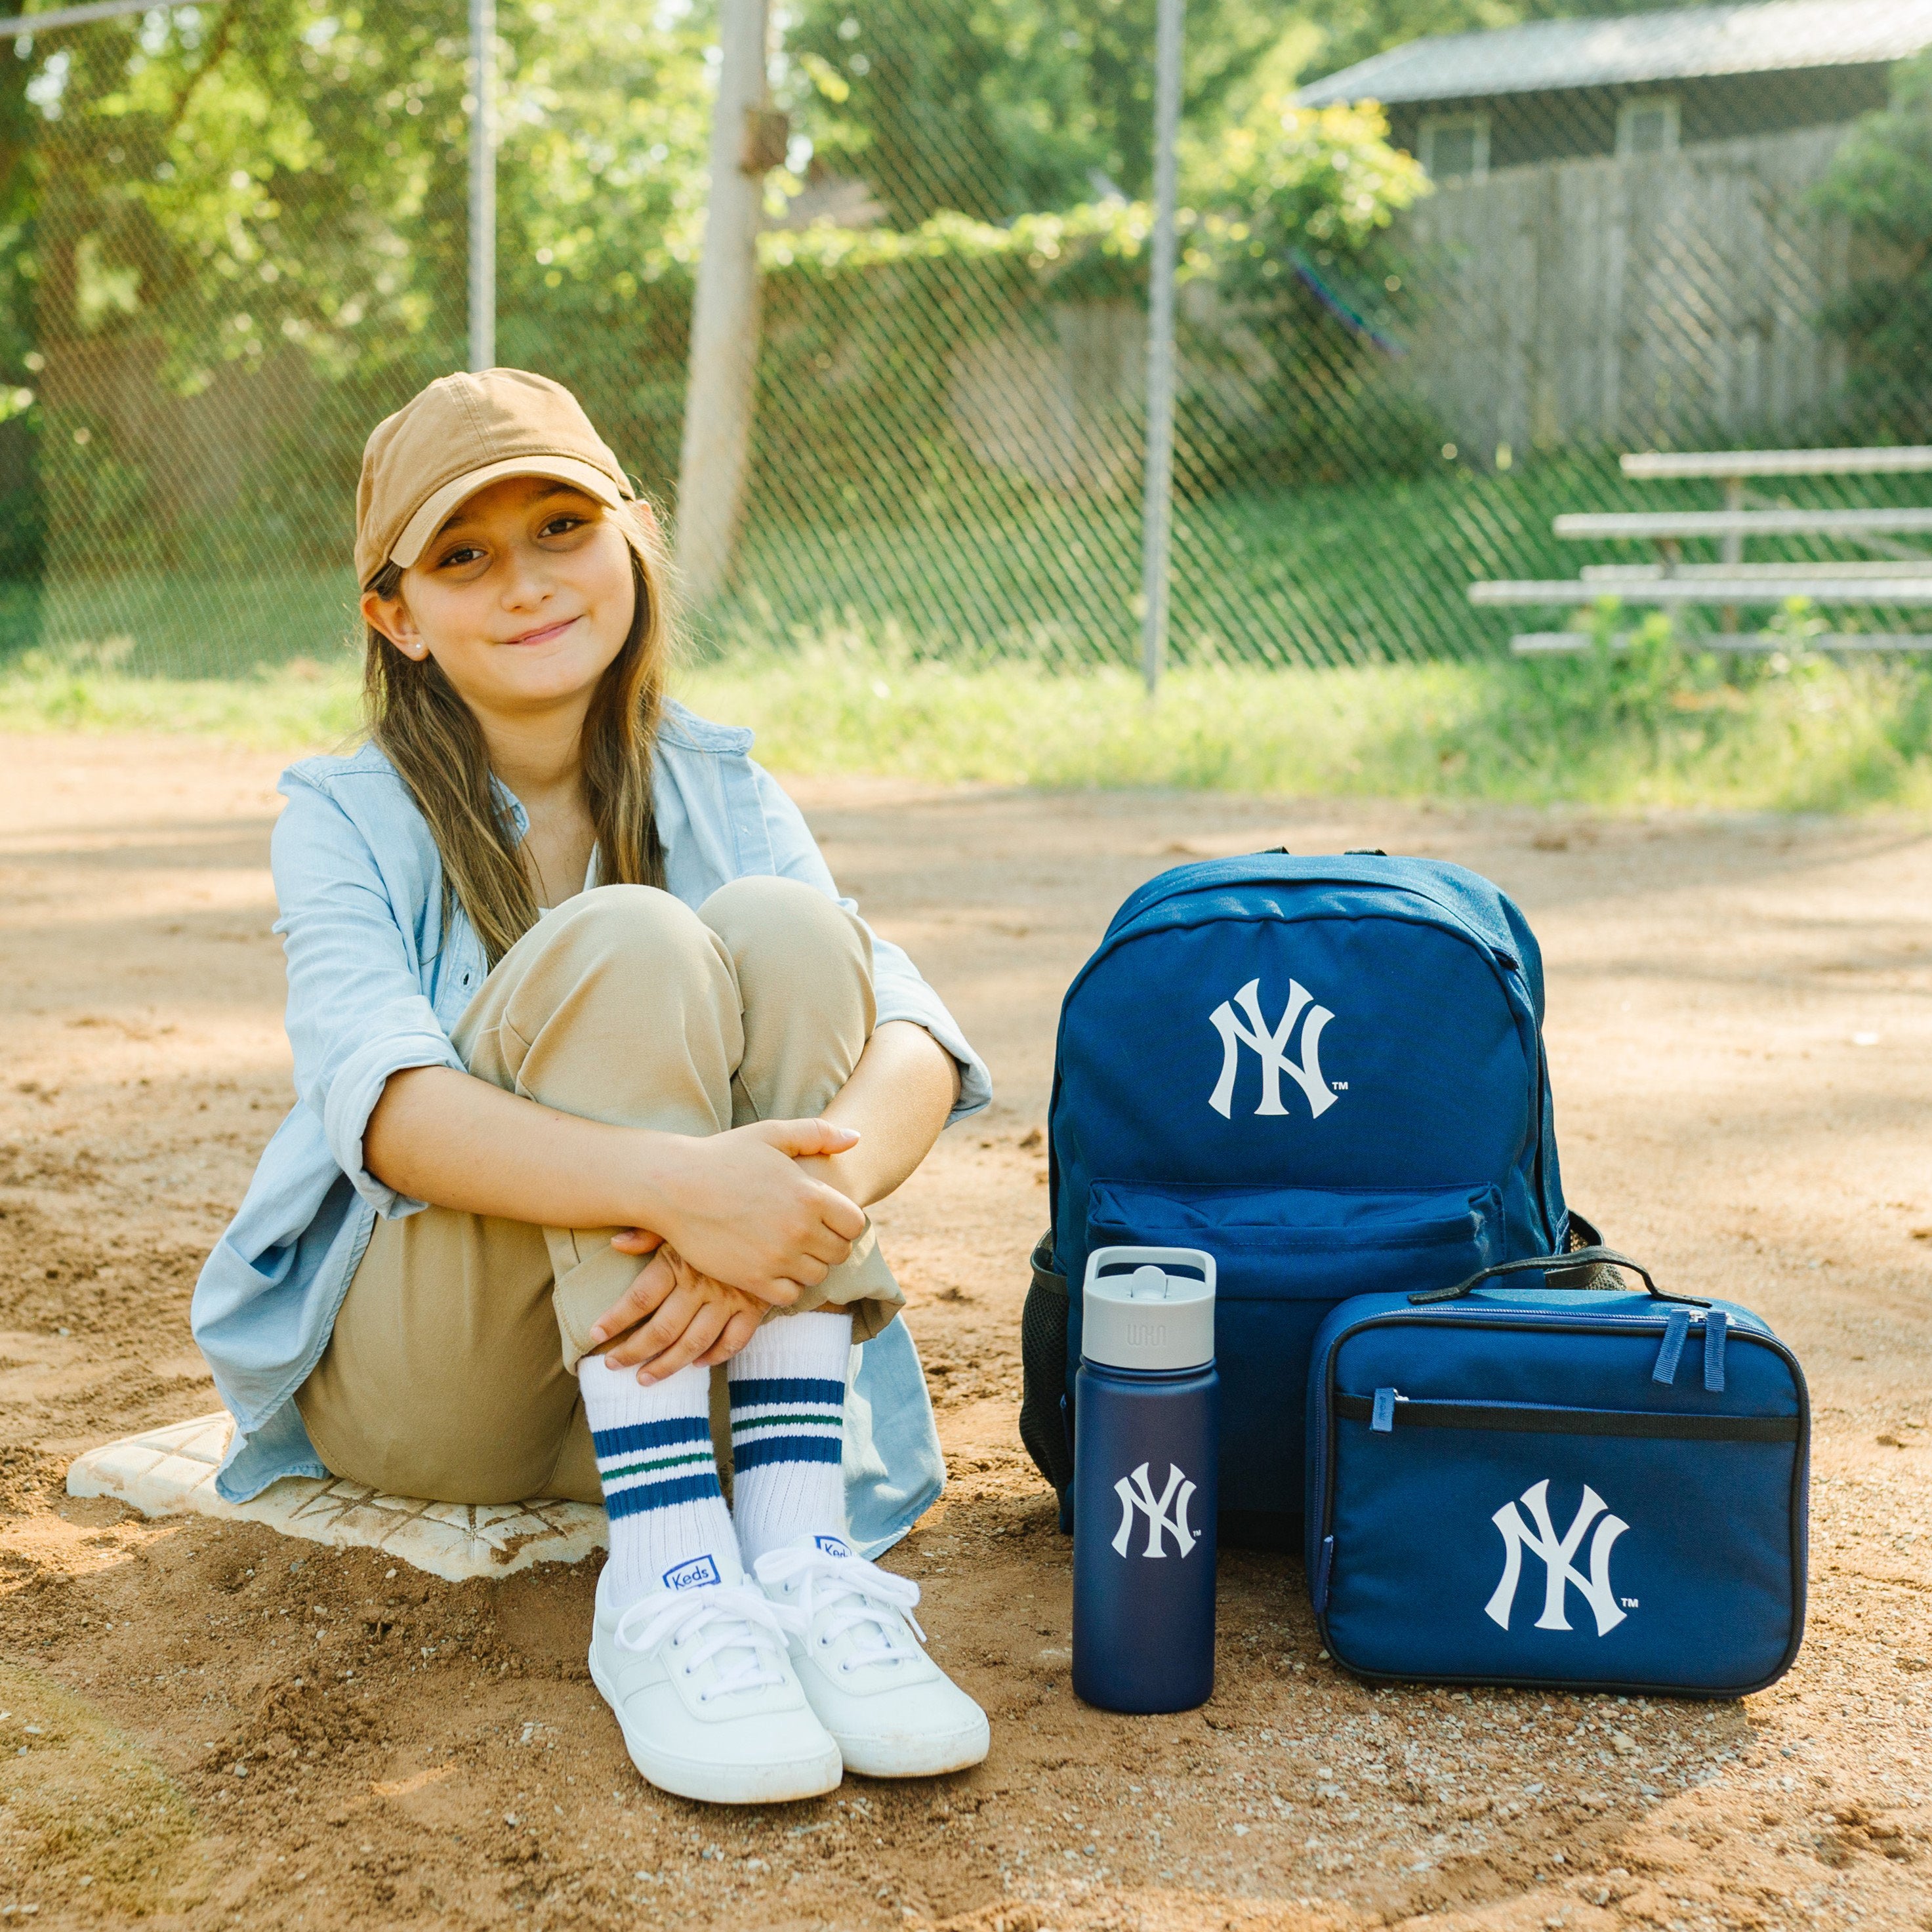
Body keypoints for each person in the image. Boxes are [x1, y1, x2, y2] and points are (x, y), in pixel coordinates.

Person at [190, 368, 993, 1805]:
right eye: (463, 557)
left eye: (561, 526)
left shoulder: (719, 780)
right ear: (398, 616)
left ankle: (802, 1551)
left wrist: (796, 1207)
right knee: (628, 940)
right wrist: (693, 1190)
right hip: (450, 1391)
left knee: (794, 934)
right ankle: (674, 1583)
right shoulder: (343, 813)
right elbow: (386, 1112)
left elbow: (915, 1043)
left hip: (713, 1362)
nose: (525, 583)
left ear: (631, 534)